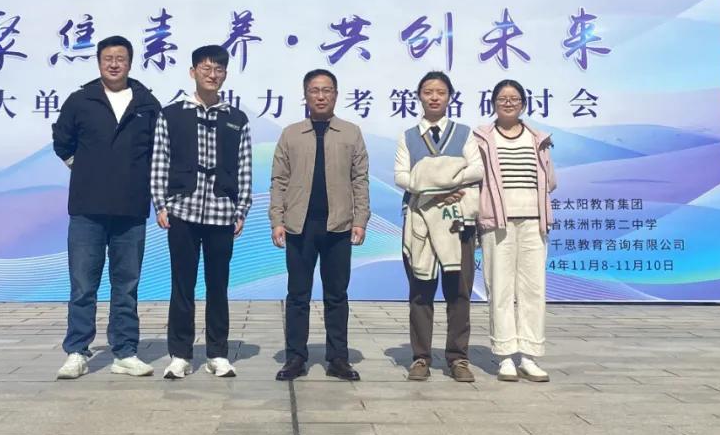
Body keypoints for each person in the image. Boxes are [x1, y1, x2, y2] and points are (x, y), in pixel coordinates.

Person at [51, 35, 160, 379]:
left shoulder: (147, 103)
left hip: (131, 209)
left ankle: (125, 352)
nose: (114, 64)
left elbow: (159, 151)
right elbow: (62, 140)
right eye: (108, 58)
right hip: (87, 208)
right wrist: (84, 168)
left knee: (126, 286)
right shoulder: (80, 100)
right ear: (99, 62)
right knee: (83, 285)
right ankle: (77, 351)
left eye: (120, 58)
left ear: (130, 63)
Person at [151, 45, 253, 379]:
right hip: (183, 209)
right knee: (182, 285)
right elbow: (160, 159)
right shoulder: (171, 114)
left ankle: (217, 353)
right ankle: (180, 354)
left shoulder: (236, 119)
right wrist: (161, 204)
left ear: (225, 75)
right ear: (193, 72)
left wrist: (241, 208)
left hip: (222, 212)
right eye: (206, 68)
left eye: (218, 69)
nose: (212, 75)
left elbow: (244, 167)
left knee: (218, 286)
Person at [270, 69, 370, 381]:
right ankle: (295, 358)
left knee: (336, 295)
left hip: (338, 225)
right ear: (306, 95)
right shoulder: (291, 134)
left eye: (327, 90)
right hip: (299, 226)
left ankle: (338, 359)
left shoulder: (351, 133)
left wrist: (360, 220)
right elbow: (279, 180)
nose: (321, 96)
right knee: (298, 295)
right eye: (315, 90)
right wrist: (277, 220)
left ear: (336, 95)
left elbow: (360, 179)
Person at [394, 72, 483, 382]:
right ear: (419, 96)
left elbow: (477, 169)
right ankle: (420, 357)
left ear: (449, 97)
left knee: (459, 290)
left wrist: (438, 184)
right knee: (420, 290)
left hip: (458, 222)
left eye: (440, 92)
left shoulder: (464, 134)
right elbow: (401, 176)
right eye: (428, 91)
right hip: (419, 221)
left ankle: (458, 358)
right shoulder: (408, 136)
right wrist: (440, 189)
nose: (434, 97)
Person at [473, 79, 556, 383]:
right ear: (493, 103)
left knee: (533, 289)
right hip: (497, 221)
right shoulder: (482, 138)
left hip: (534, 221)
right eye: (502, 98)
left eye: (514, 98)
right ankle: (505, 356)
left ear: (523, 104)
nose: (508, 103)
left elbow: (550, 180)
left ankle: (529, 356)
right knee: (500, 288)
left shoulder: (538, 137)